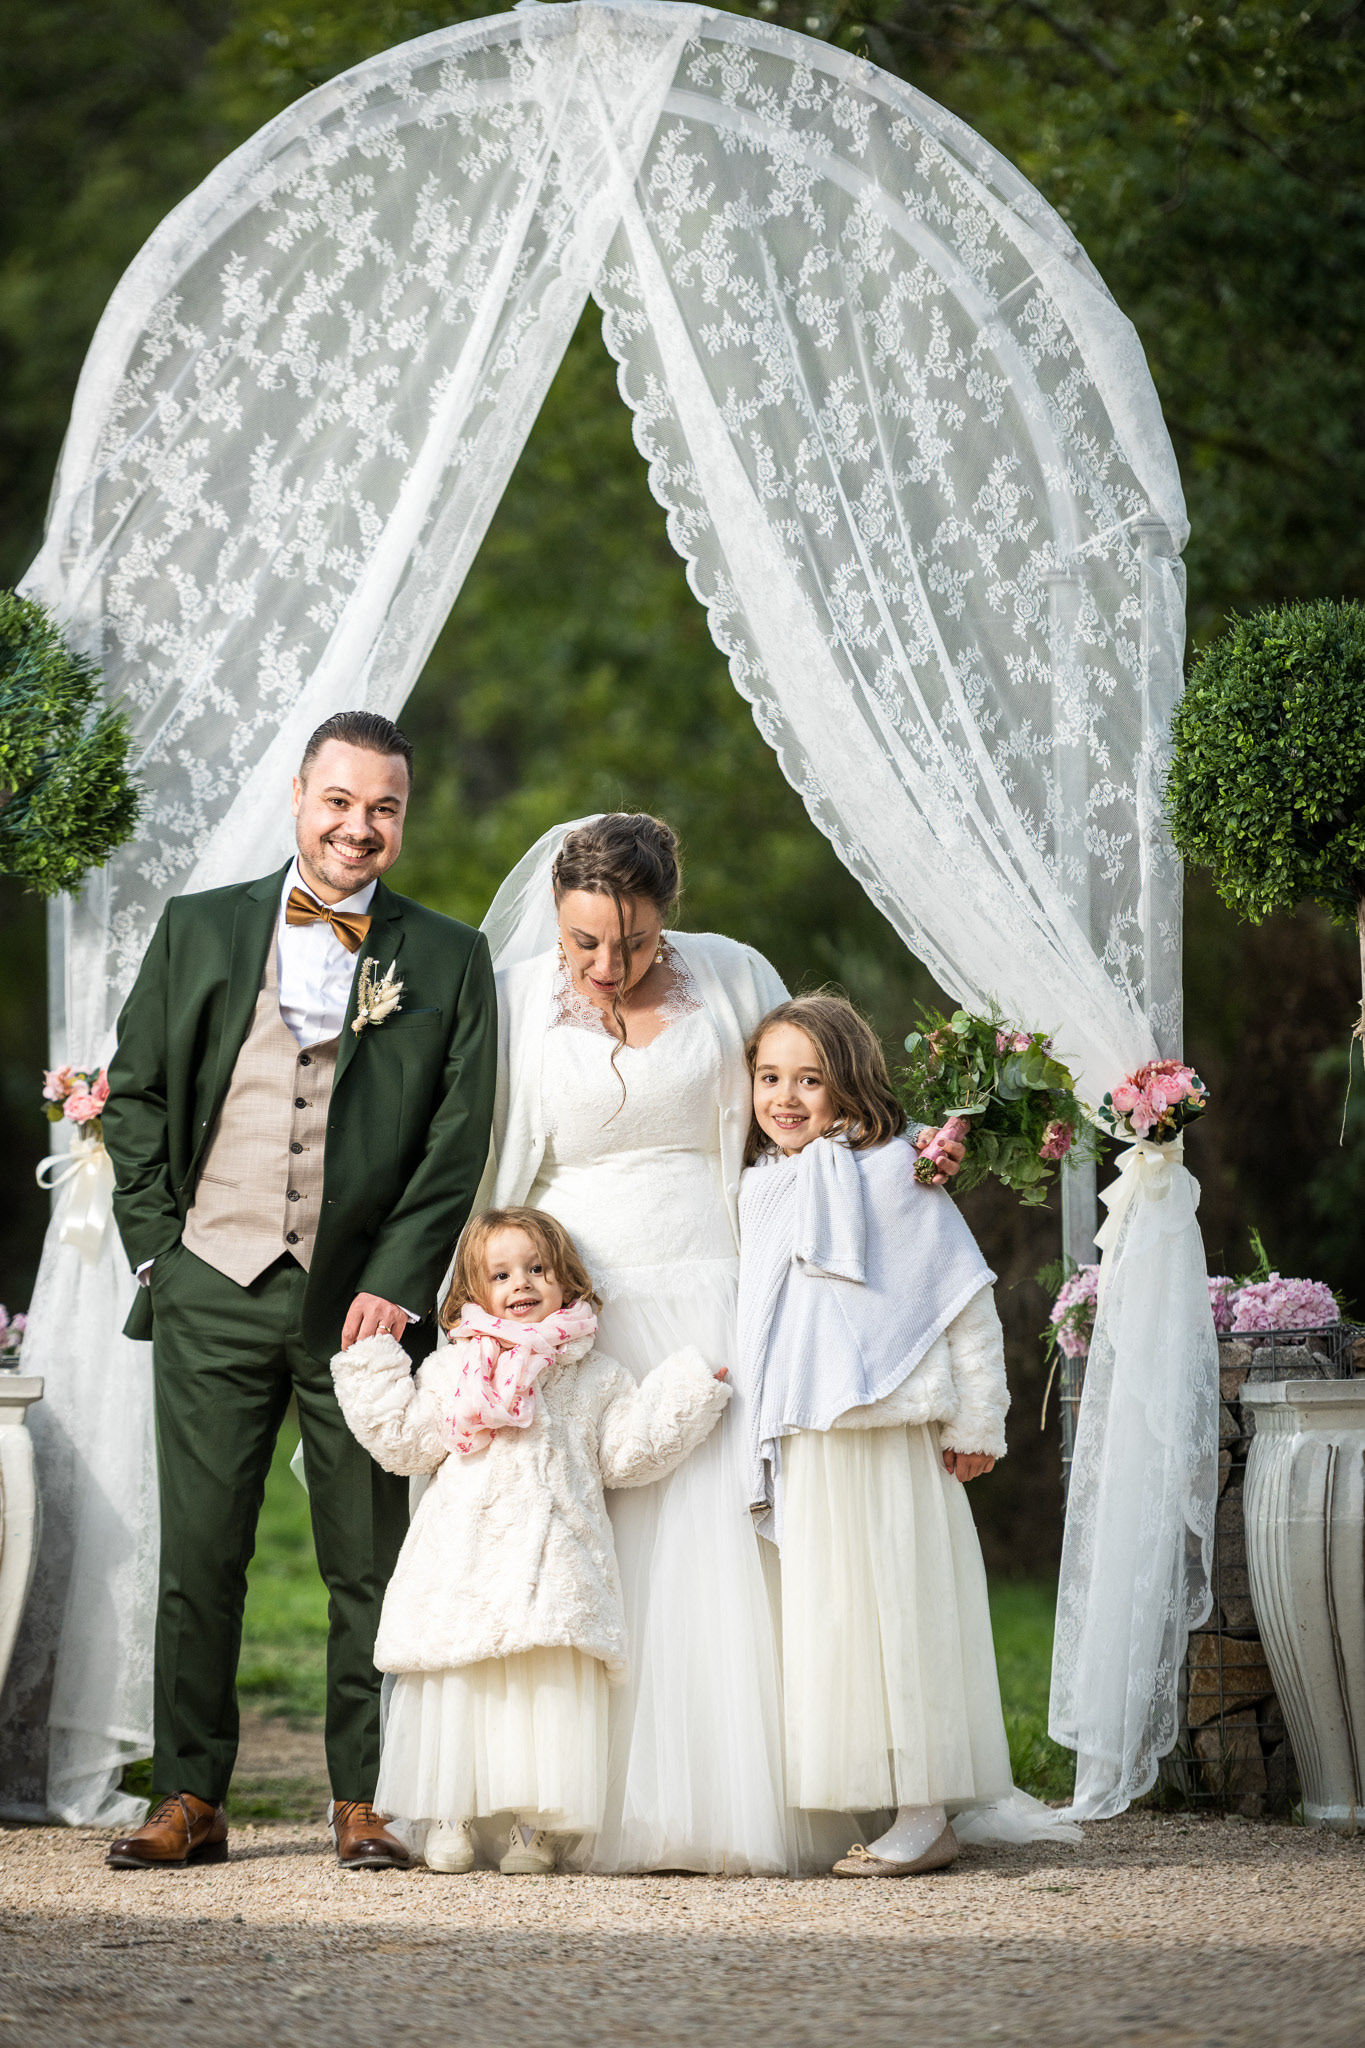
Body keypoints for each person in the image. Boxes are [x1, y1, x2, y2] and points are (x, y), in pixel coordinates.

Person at [480, 812, 966, 1873]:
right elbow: (487, 1152)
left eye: (635, 942)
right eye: (584, 943)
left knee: (722, 1532)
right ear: (554, 916)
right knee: (578, 1530)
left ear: (669, 914)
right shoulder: (513, 999)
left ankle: (750, 1795)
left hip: (721, 1287)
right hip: (574, 1303)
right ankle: (559, 1793)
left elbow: (804, 1103)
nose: (608, 966)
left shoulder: (734, 974)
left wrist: (894, 1167)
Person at [101, 711, 498, 1872]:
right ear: (298, 796)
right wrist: (157, 1252)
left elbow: (457, 1138)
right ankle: (190, 1794)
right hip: (211, 1285)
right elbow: (135, 1095)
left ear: (402, 819)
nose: (358, 826)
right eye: (340, 800)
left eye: (384, 807)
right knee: (201, 1552)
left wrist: (397, 1280)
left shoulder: (448, 957)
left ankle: (366, 1796)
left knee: (368, 1558)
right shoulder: (200, 927)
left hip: (362, 1312)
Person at [331, 1208, 731, 1875]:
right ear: (472, 1293)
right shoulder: (452, 1369)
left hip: (555, 1566)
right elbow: (406, 1443)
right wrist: (371, 1366)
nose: (521, 1283)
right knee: (463, 1691)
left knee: (544, 1698)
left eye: (536, 1268)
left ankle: (534, 1825)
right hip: (464, 1564)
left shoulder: (594, 1375)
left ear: (565, 1280)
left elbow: (626, 1455)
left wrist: (684, 1395)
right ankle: (451, 1812)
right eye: (501, 1274)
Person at [738, 994, 1018, 1876]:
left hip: (891, 1439)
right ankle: (878, 1795)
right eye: (769, 1078)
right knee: (838, 1622)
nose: (785, 1098)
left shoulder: (896, 1174)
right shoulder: (761, 1185)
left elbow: (961, 1300)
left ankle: (927, 1813)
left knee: (904, 1610)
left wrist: (979, 1419)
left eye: (808, 1080)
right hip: (812, 1437)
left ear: (848, 1084)